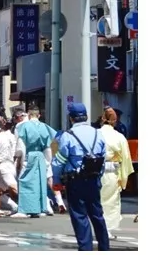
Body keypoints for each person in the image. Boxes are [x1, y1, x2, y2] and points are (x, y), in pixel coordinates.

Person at [54, 102, 111, 251]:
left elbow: (59, 161)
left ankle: (86, 249)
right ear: (86, 116)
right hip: (93, 180)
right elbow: (103, 159)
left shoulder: (68, 136)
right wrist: (98, 178)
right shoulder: (98, 133)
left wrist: (56, 179)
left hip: (75, 181)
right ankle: (105, 248)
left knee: (80, 216)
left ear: (71, 118)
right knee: (97, 215)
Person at [97, 107, 133, 236]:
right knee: (110, 202)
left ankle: (97, 227)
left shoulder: (95, 134)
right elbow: (126, 158)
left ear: (102, 119)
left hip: (94, 172)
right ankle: (105, 228)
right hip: (111, 172)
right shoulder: (119, 137)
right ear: (115, 121)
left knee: (96, 201)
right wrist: (123, 178)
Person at [15, 106, 57, 217]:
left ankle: (25, 209)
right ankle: (39, 207)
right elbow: (48, 147)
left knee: (25, 181)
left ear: (28, 115)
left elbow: (20, 146)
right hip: (41, 156)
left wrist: (19, 159)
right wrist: (48, 162)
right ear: (39, 115)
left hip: (28, 155)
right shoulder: (44, 127)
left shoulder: (24, 126)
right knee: (39, 182)